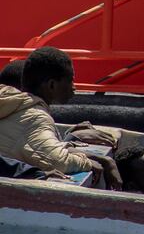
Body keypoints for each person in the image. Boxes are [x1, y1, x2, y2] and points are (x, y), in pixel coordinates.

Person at [0, 47, 118, 182]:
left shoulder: (12, 102)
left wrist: (69, 141)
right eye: (70, 80)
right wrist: (88, 163)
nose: (74, 87)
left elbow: (32, 146)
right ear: (52, 85)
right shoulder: (35, 116)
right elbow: (57, 161)